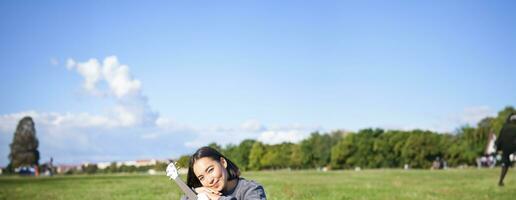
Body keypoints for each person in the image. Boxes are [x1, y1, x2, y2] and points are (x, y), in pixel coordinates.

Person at [182, 146, 267, 200]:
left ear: (223, 162)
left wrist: (216, 198)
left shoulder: (251, 189)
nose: (209, 180)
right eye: (201, 178)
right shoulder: (203, 195)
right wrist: (196, 192)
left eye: (210, 170)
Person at [495, 113, 516, 186]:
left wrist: (498, 149)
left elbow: (499, 139)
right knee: (506, 164)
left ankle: (500, 181)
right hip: (514, 148)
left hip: (505, 149)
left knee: (505, 165)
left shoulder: (504, 127)